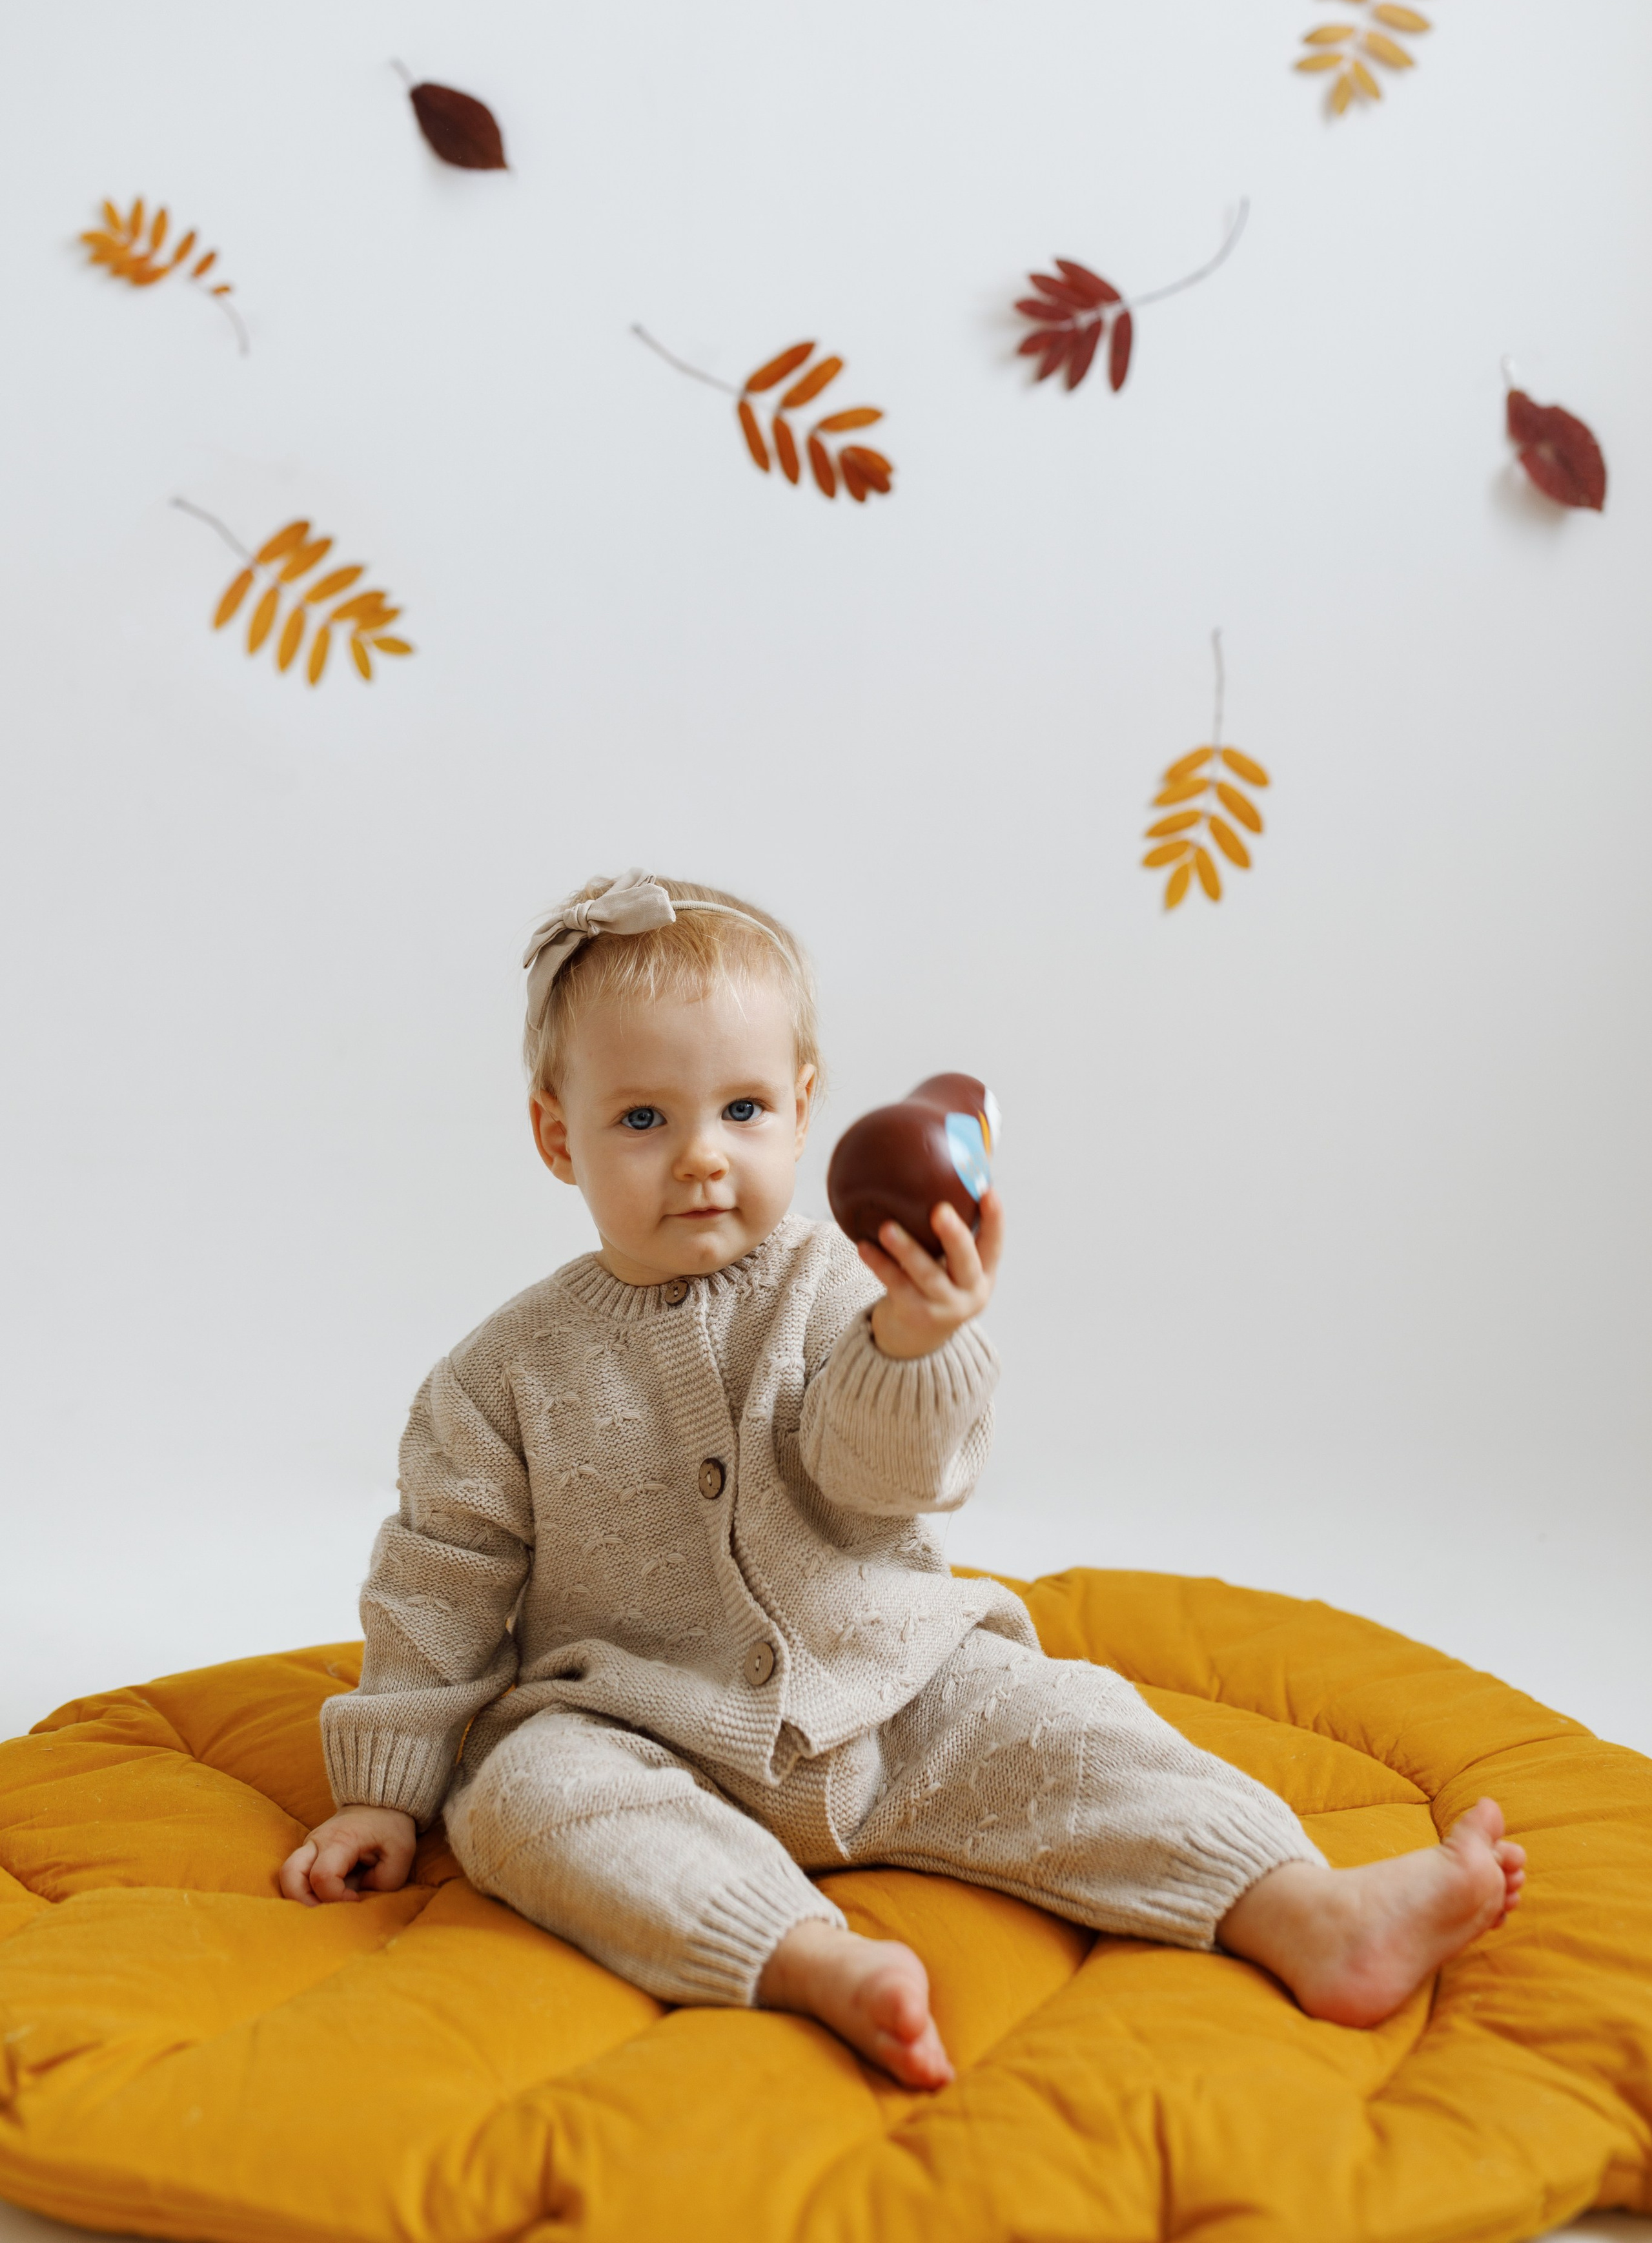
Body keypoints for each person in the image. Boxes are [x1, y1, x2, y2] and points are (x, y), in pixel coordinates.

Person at [280, 872, 1525, 2089]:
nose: (704, 1159)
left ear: (807, 1107)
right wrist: (388, 1792)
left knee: (1074, 1725)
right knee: (522, 1803)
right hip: (644, 1729)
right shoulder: (500, 1375)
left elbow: (882, 1483)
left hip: (895, 1692)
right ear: (560, 1133)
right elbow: (438, 1582)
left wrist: (914, 1345)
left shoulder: (842, 1292)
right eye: (645, 1120)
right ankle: (808, 1959)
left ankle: (1305, 1911)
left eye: (746, 1111)